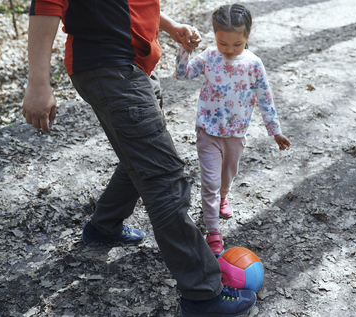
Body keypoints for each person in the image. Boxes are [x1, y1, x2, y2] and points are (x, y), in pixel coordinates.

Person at [21, 0, 256, 316]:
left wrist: (170, 27)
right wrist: (37, 81)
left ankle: (104, 226)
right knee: (164, 178)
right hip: (111, 68)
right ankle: (203, 296)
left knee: (140, 157)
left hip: (134, 68)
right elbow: (47, 4)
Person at [175, 3, 292, 256]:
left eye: (236, 45)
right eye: (222, 43)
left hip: (236, 135)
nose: (228, 50)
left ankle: (224, 197)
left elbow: (265, 99)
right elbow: (182, 74)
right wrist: (185, 47)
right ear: (215, 37)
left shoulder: (253, 64)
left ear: (247, 36)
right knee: (209, 182)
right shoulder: (208, 57)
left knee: (227, 175)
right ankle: (214, 232)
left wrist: (276, 131)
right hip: (208, 131)